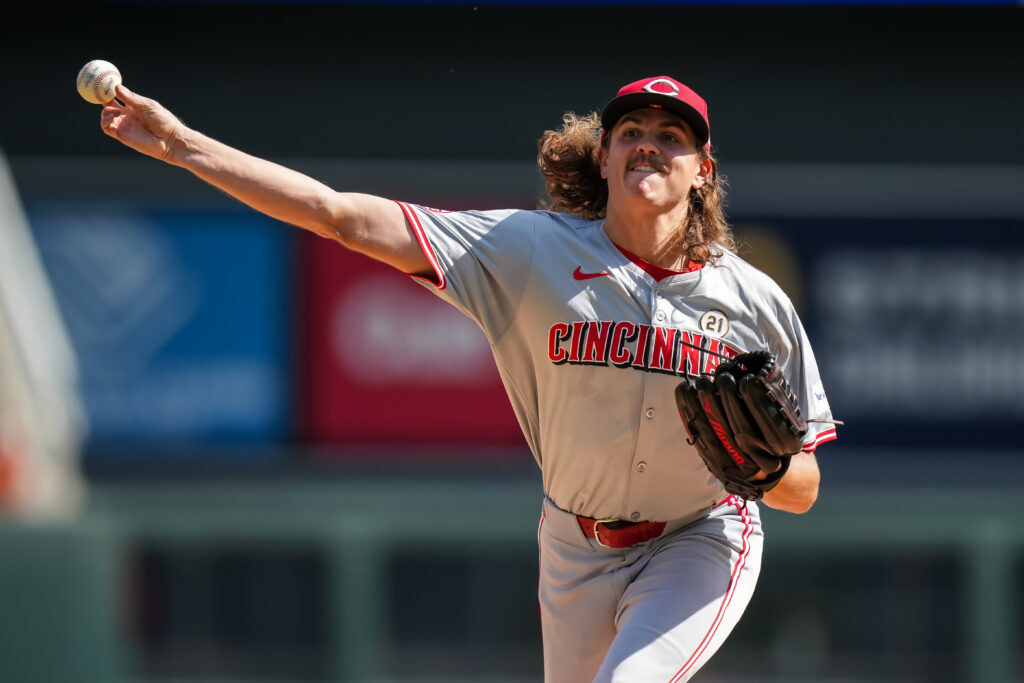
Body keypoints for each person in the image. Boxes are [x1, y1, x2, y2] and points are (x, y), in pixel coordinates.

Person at [99, 74, 837, 682]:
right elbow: (337, 216)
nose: (650, 143)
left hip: (698, 537)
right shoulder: (527, 251)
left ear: (702, 171)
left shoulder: (752, 299)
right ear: (605, 156)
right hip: (574, 545)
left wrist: (765, 470)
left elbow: (803, 489)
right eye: (632, 132)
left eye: (672, 136)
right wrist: (184, 146)